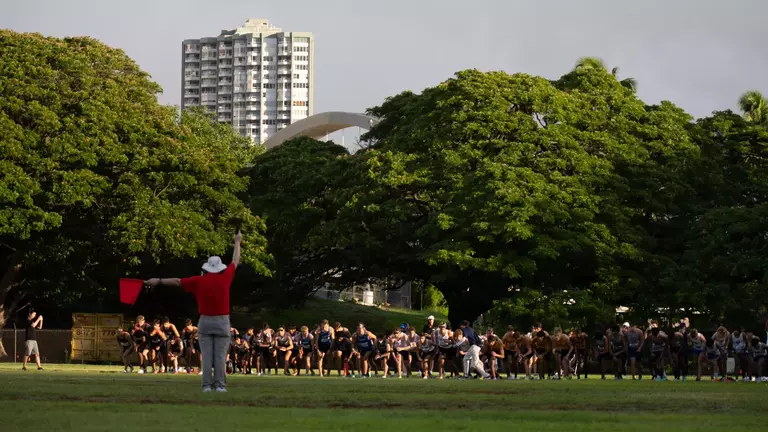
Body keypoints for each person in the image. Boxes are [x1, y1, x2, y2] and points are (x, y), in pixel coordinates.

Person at [144, 230, 242, 392]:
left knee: (206, 355)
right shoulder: (226, 278)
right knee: (219, 356)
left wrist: (158, 281)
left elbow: (176, 282)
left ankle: (206, 386)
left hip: (205, 321)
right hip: (222, 321)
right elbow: (235, 261)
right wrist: (237, 242)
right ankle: (220, 386)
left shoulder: (198, 281)